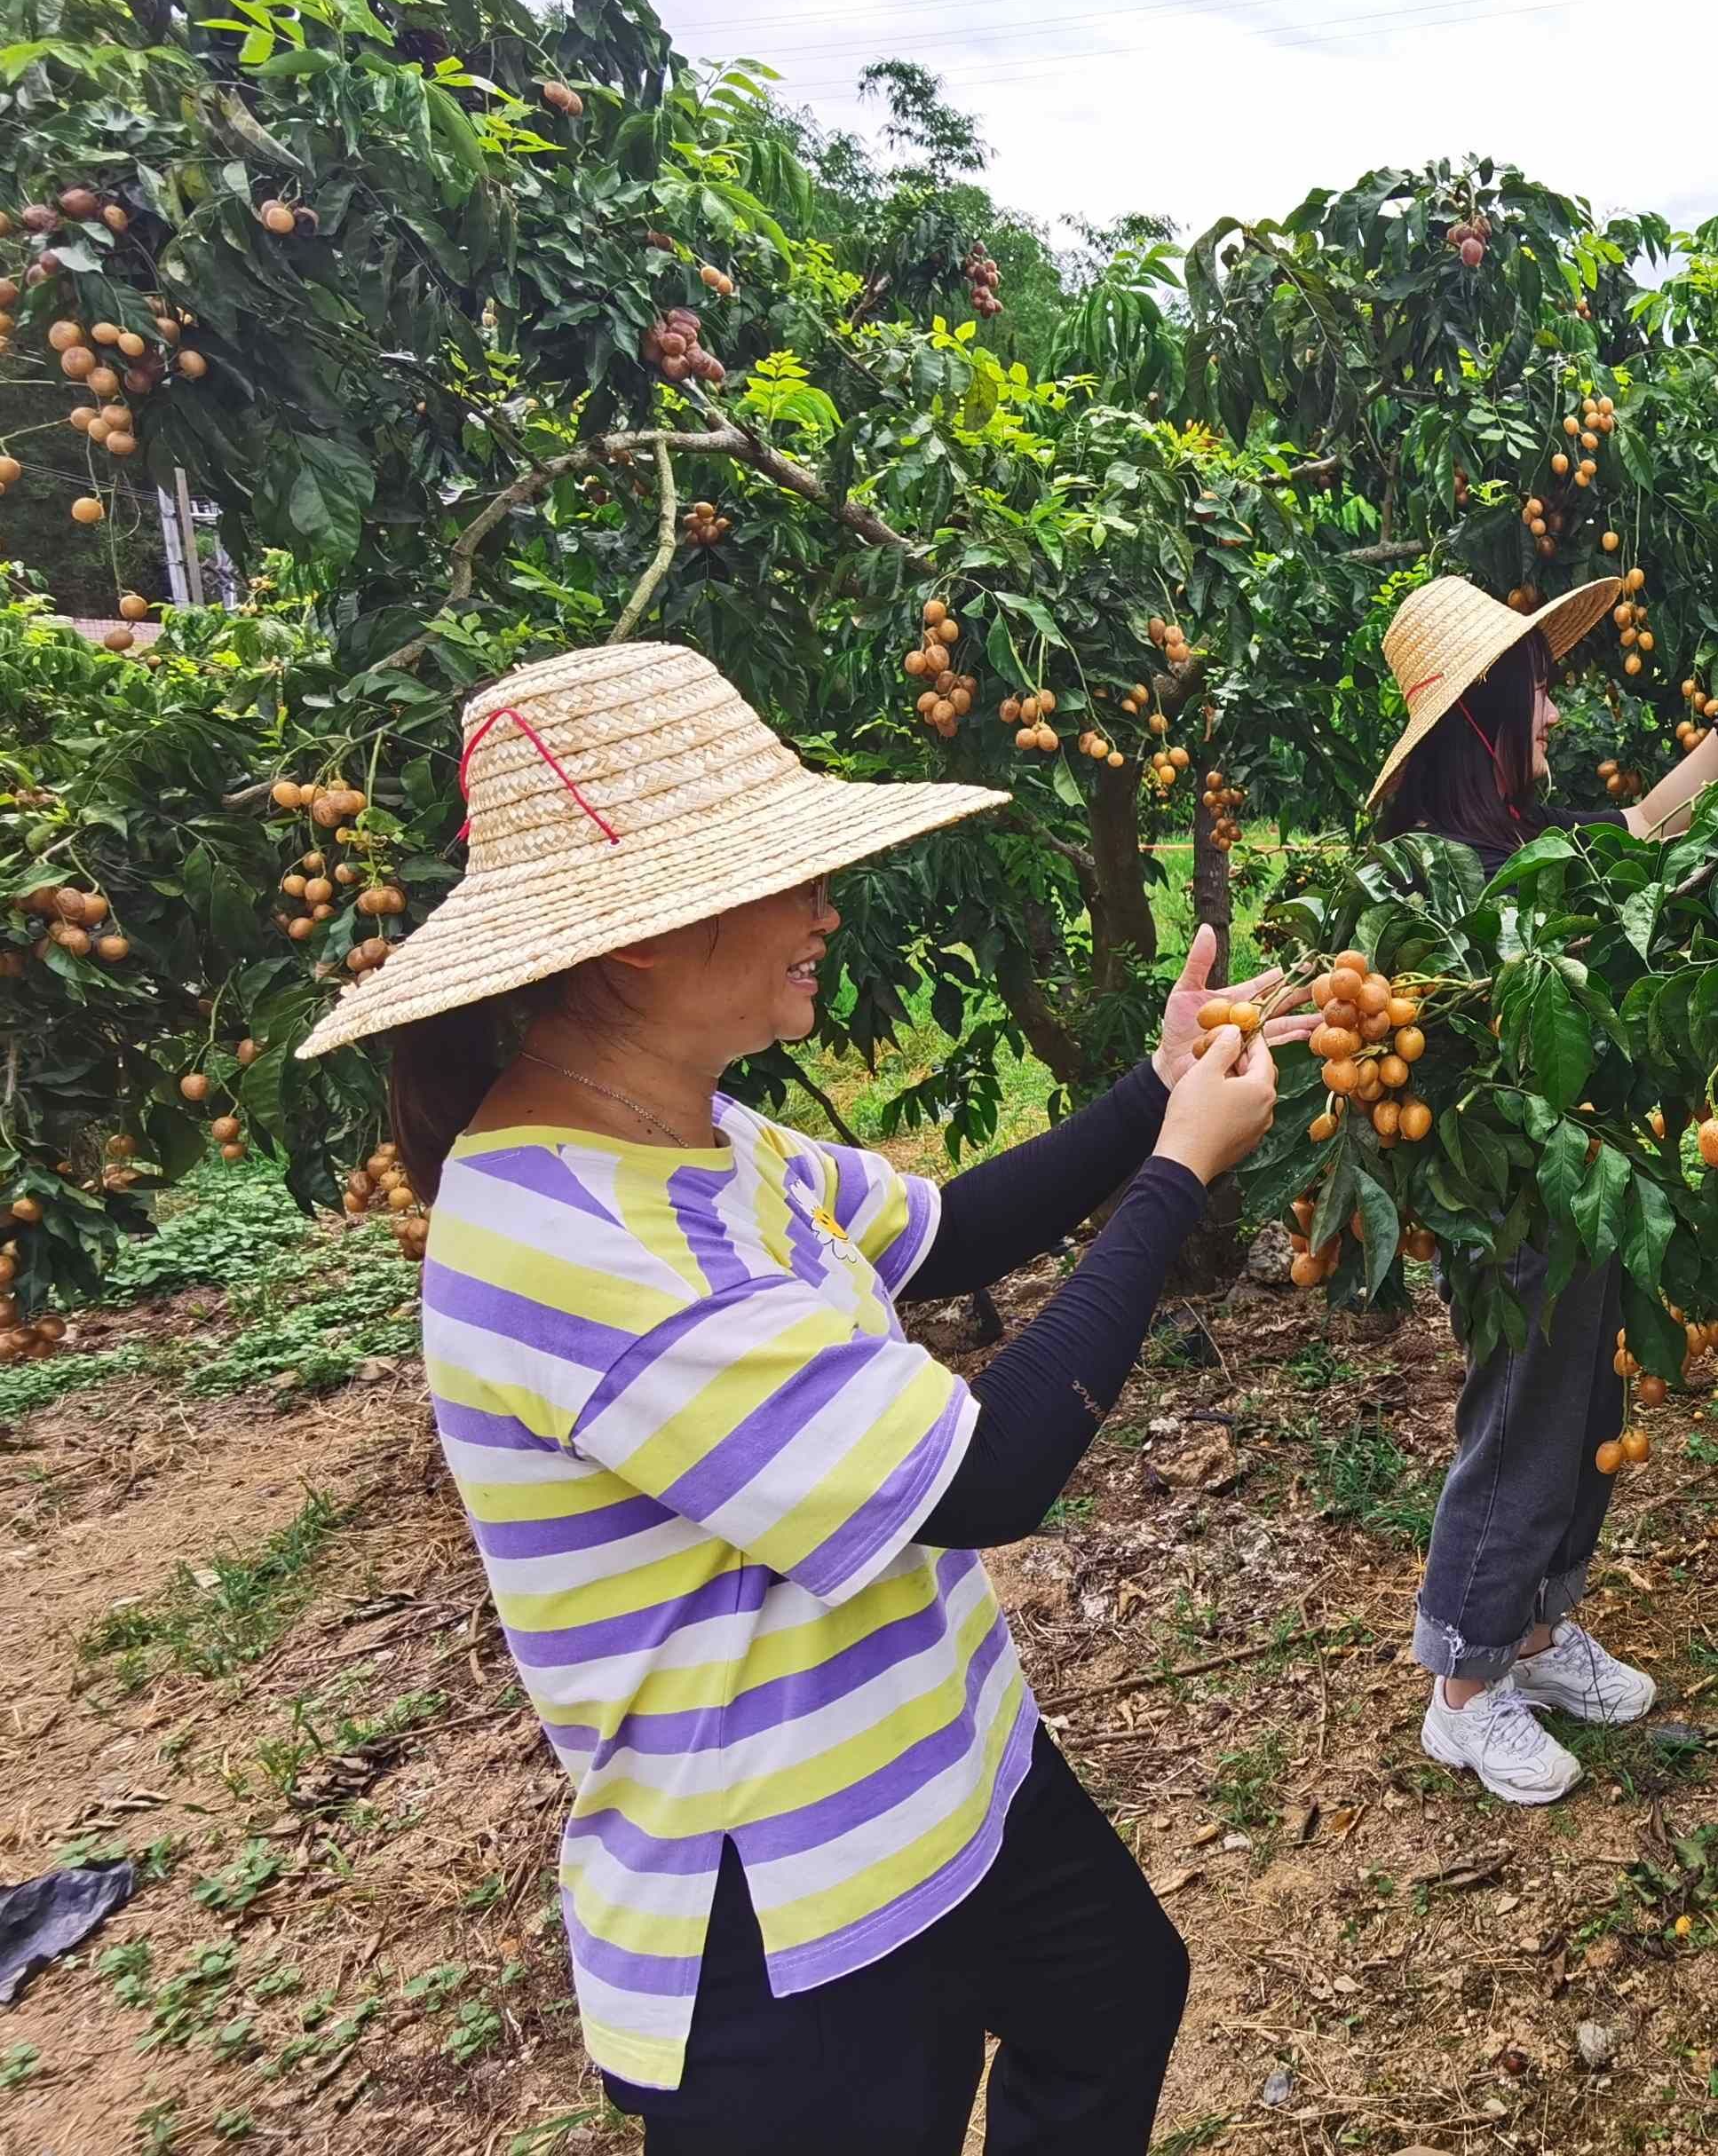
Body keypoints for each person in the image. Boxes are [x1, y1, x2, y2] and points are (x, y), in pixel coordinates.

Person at [299, 640, 1304, 2154]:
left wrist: (1156, 1090)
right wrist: (1176, 1177)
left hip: (945, 1759)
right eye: (794, 879)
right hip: (783, 1901)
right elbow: (987, 1476)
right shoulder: (566, 1242)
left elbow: (947, 1231)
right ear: (643, 939)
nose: (829, 910)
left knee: (1115, 2000)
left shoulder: (694, 1132)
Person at [1363, 574, 1718, 1803]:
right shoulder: (1432, 877)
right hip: (1516, 1212)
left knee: (1586, 1410)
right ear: (1481, 720)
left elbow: (1646, 834)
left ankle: (1537, 1637)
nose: (1553, 716)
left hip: (1584, 1188)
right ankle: (1463, 1686)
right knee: (1521, 1423)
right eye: (1535, 696)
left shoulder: (1525, 850)